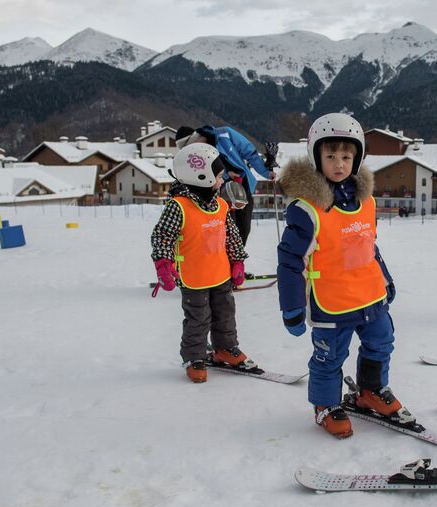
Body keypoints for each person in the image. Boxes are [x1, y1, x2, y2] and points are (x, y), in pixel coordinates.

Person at [276, 112, 411, 438]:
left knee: (381, 344)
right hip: (331, 303)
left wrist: (386, 279)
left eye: (347, 156)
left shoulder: (366, 201)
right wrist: (291, 307)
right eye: (331, 155)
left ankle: (371, 391)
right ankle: (325, 405)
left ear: (357, 158)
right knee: (329, 357)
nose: (339, 163)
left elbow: (369, 246)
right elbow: (290, 260)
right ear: (316, 157)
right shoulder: (306, 209)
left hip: (370, 296)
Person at [150, 142, 255, 383]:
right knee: (198, 318)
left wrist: (237, 261)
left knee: (225, 314)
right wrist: (164, 264)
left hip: (220, 275)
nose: (221, 181)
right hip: (193, 277)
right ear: (200, 176)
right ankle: (194, 356)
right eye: (218, 176)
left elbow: (232, 236)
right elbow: (162, 236)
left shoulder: (220, 205)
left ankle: (225, 348)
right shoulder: (178, 206)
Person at [175, 125, 275, 248]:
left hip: (243, 187)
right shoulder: (197, 155)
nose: (192, 151)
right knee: (227, 232)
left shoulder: (224, 135)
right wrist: (227, 175)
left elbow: (249, 152)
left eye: (190, 146)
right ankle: (226, 262)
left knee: (243, 230)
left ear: (195, 138)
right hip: (220, 194)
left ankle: (237, 262)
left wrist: (266, 172)